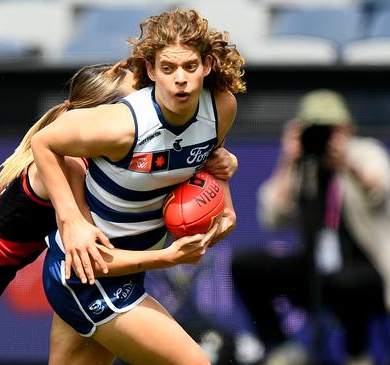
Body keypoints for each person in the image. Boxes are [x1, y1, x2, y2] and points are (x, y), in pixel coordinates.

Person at [0, 63, 239, 365]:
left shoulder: (106, 163)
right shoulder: (73, 167)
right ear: (96, 116)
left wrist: (218, 161)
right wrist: (166, 258)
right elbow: (92, 258)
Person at [31, 8, 246, 365]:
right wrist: (71, 221)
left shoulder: (221, 108)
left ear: (207, 65)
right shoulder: (123, 125)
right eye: (168, 68)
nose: (180, 79)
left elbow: (214, 182)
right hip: (87, 273)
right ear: (150, 70)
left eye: (190, 67)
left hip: (127, 269)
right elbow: (44, 142)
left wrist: (220, 220)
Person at [231, 89, 390, 365]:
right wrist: (288, 160)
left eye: (331, 129)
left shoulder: (367, 152)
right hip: (317, 270)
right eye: (315, 130)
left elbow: (380, 188)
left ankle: (357, 355)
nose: (324, 137)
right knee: (247, 265)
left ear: (348, 128)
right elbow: (272, 218)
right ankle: (282, 348)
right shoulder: (302, 164)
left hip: (372, 272)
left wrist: (346, 164)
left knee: (347, 281)